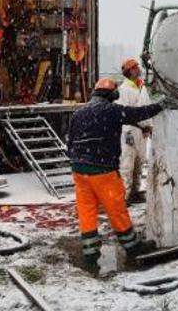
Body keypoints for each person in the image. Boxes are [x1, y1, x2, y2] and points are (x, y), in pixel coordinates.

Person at [67, 77, 164, 272]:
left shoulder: (78, 114)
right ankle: (132, 247)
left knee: (87, 212)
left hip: (79, 172)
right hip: (102, 171)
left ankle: (90, 254)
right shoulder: (112, 111)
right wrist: (161, 106)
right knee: (116, 209)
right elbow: (138, 113)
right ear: (113, 95)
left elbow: (70, 143)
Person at [116, 58, 154, 202]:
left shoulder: (141, 87)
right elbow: (124, 112)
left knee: (139, 162)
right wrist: (129, 130)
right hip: (130, 130)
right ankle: (123, 197)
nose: (138, 69)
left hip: (142, 131)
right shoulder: (124, 89)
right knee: (127, 164)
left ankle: (135, 192)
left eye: (138, 67)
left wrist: (149, 126)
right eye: (135, 67)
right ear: (129, 71)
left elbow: (147, 107)